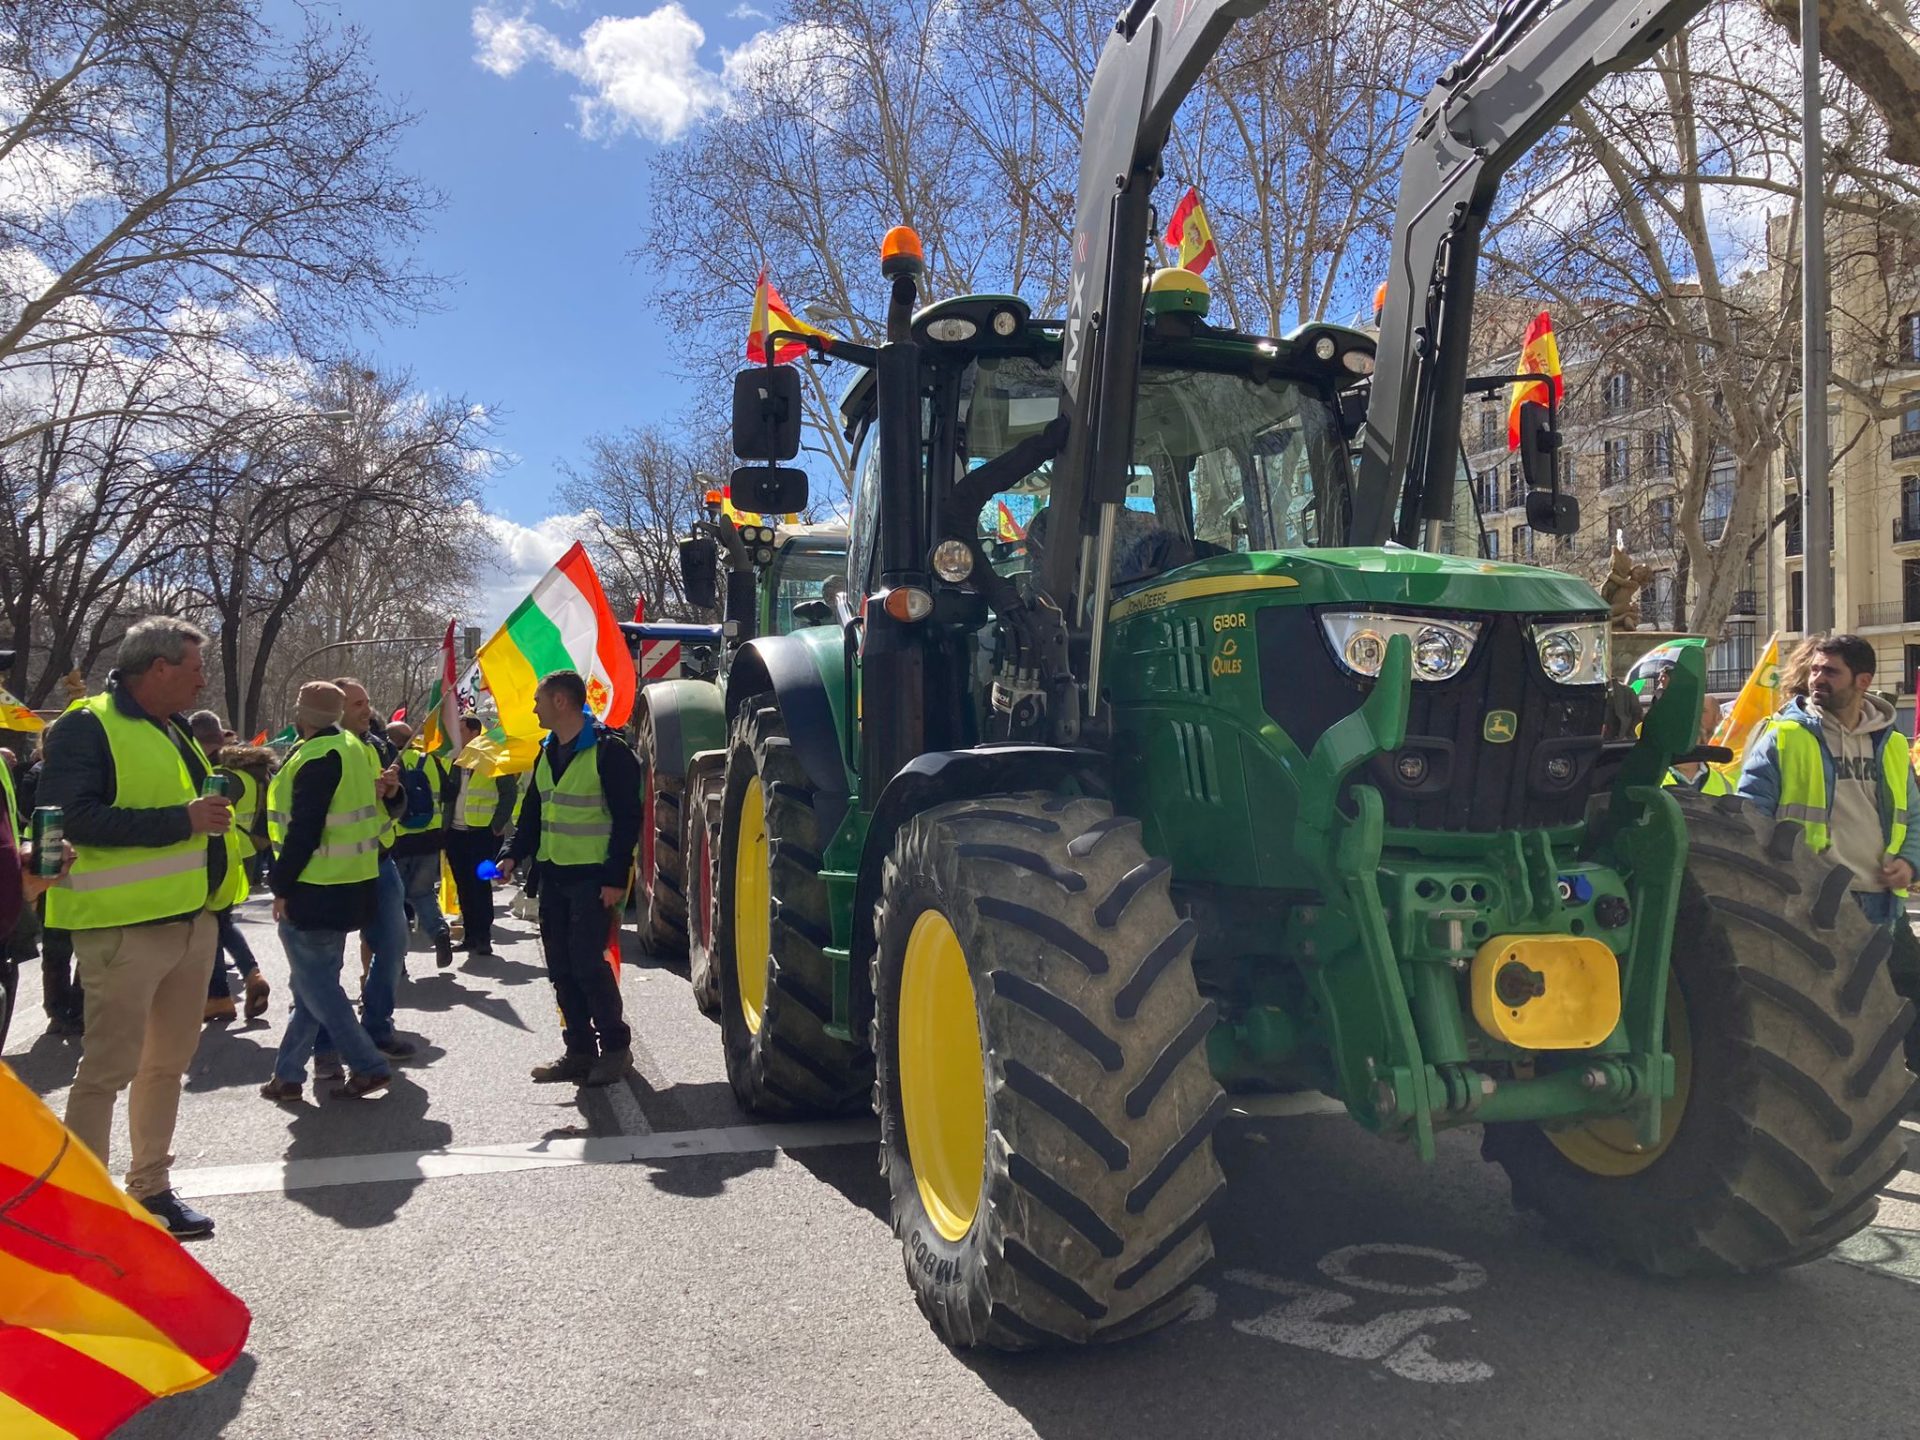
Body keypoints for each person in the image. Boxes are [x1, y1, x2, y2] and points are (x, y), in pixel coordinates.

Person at [37, 617, 232, 1237]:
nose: (203, 682)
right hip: (120, 929)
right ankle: (85, 1206)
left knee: (166, 1066)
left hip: (187, 924)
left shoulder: (172, 728)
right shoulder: (85, 726)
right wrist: (185, 819)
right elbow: (72, 818)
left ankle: (151, 1190)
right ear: (159, 669)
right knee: (106, 1071)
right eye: (196, 669)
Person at [498, 670, 639, 1087]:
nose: (534, 708)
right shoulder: (547, 752)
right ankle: (578, 1051)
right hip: (555, 877)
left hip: (594, 880)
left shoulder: (610, 751)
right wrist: (510, 855)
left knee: (587, 966)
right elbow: (533, 814)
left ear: (561, 701)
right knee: (560, 968)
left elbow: (628, 819)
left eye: (539, 700)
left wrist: (615, 876)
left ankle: (615, 1049)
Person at [260, 682, 394, 1102]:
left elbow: (304, 830)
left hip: (314, 888)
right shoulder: (355, 748)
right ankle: (287, 1075)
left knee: (318, 988)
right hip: (352, 883)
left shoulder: (317, 755)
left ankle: (368, 1065)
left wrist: (280, 885)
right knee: (312, 986)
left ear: (302, 716)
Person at [1737, 633, 1920, 930]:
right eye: (1815, 670)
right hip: (1810, 898)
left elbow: (1912, 815)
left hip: (1881, 901)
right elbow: (1751, 813)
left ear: (1862, 681)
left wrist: (1910, 862)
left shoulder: (1892, 745)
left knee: (1906, 977)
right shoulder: (1783, 737)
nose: (1818, 679)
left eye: (1830, 671)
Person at [310, 676, 416, 1068]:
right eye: (358, 704)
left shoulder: (377, 746)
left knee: (393, 947)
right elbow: (307, 816)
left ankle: (377, 1028)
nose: (366, 711)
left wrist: (392, 793)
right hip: (333, 871)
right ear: (336, 709)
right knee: (328, 963)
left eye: (367, 702)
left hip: (378, 863)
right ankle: (326, 1045)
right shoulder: (318, 751)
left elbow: (395, 808)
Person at [189, 711, 271, 1025]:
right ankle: (250, 976)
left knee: (210, 921)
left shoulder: (216, 774)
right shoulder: (251, 771)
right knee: (220, 920)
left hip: (222, 850)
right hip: (246, 851)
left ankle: (219, 996)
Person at [386, 721, 456, 969]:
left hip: (399, 839)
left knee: (396, 898)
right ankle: (439, 932)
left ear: (391, 741)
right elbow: (449, 792)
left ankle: (399, 959)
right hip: (430, 838)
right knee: (423, 892)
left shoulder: (391, 765)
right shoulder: (431, 760)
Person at [446, 714, 516, 958]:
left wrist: (497, 826)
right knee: (463, 886)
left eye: (462, 730)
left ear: (475, 733)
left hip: (481, 834)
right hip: (455, 833)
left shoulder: (492, 756)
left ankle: (484, 937)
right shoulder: (455, 758)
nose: (458, 735)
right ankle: (470, 935)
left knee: (480, 886)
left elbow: (508, 793)